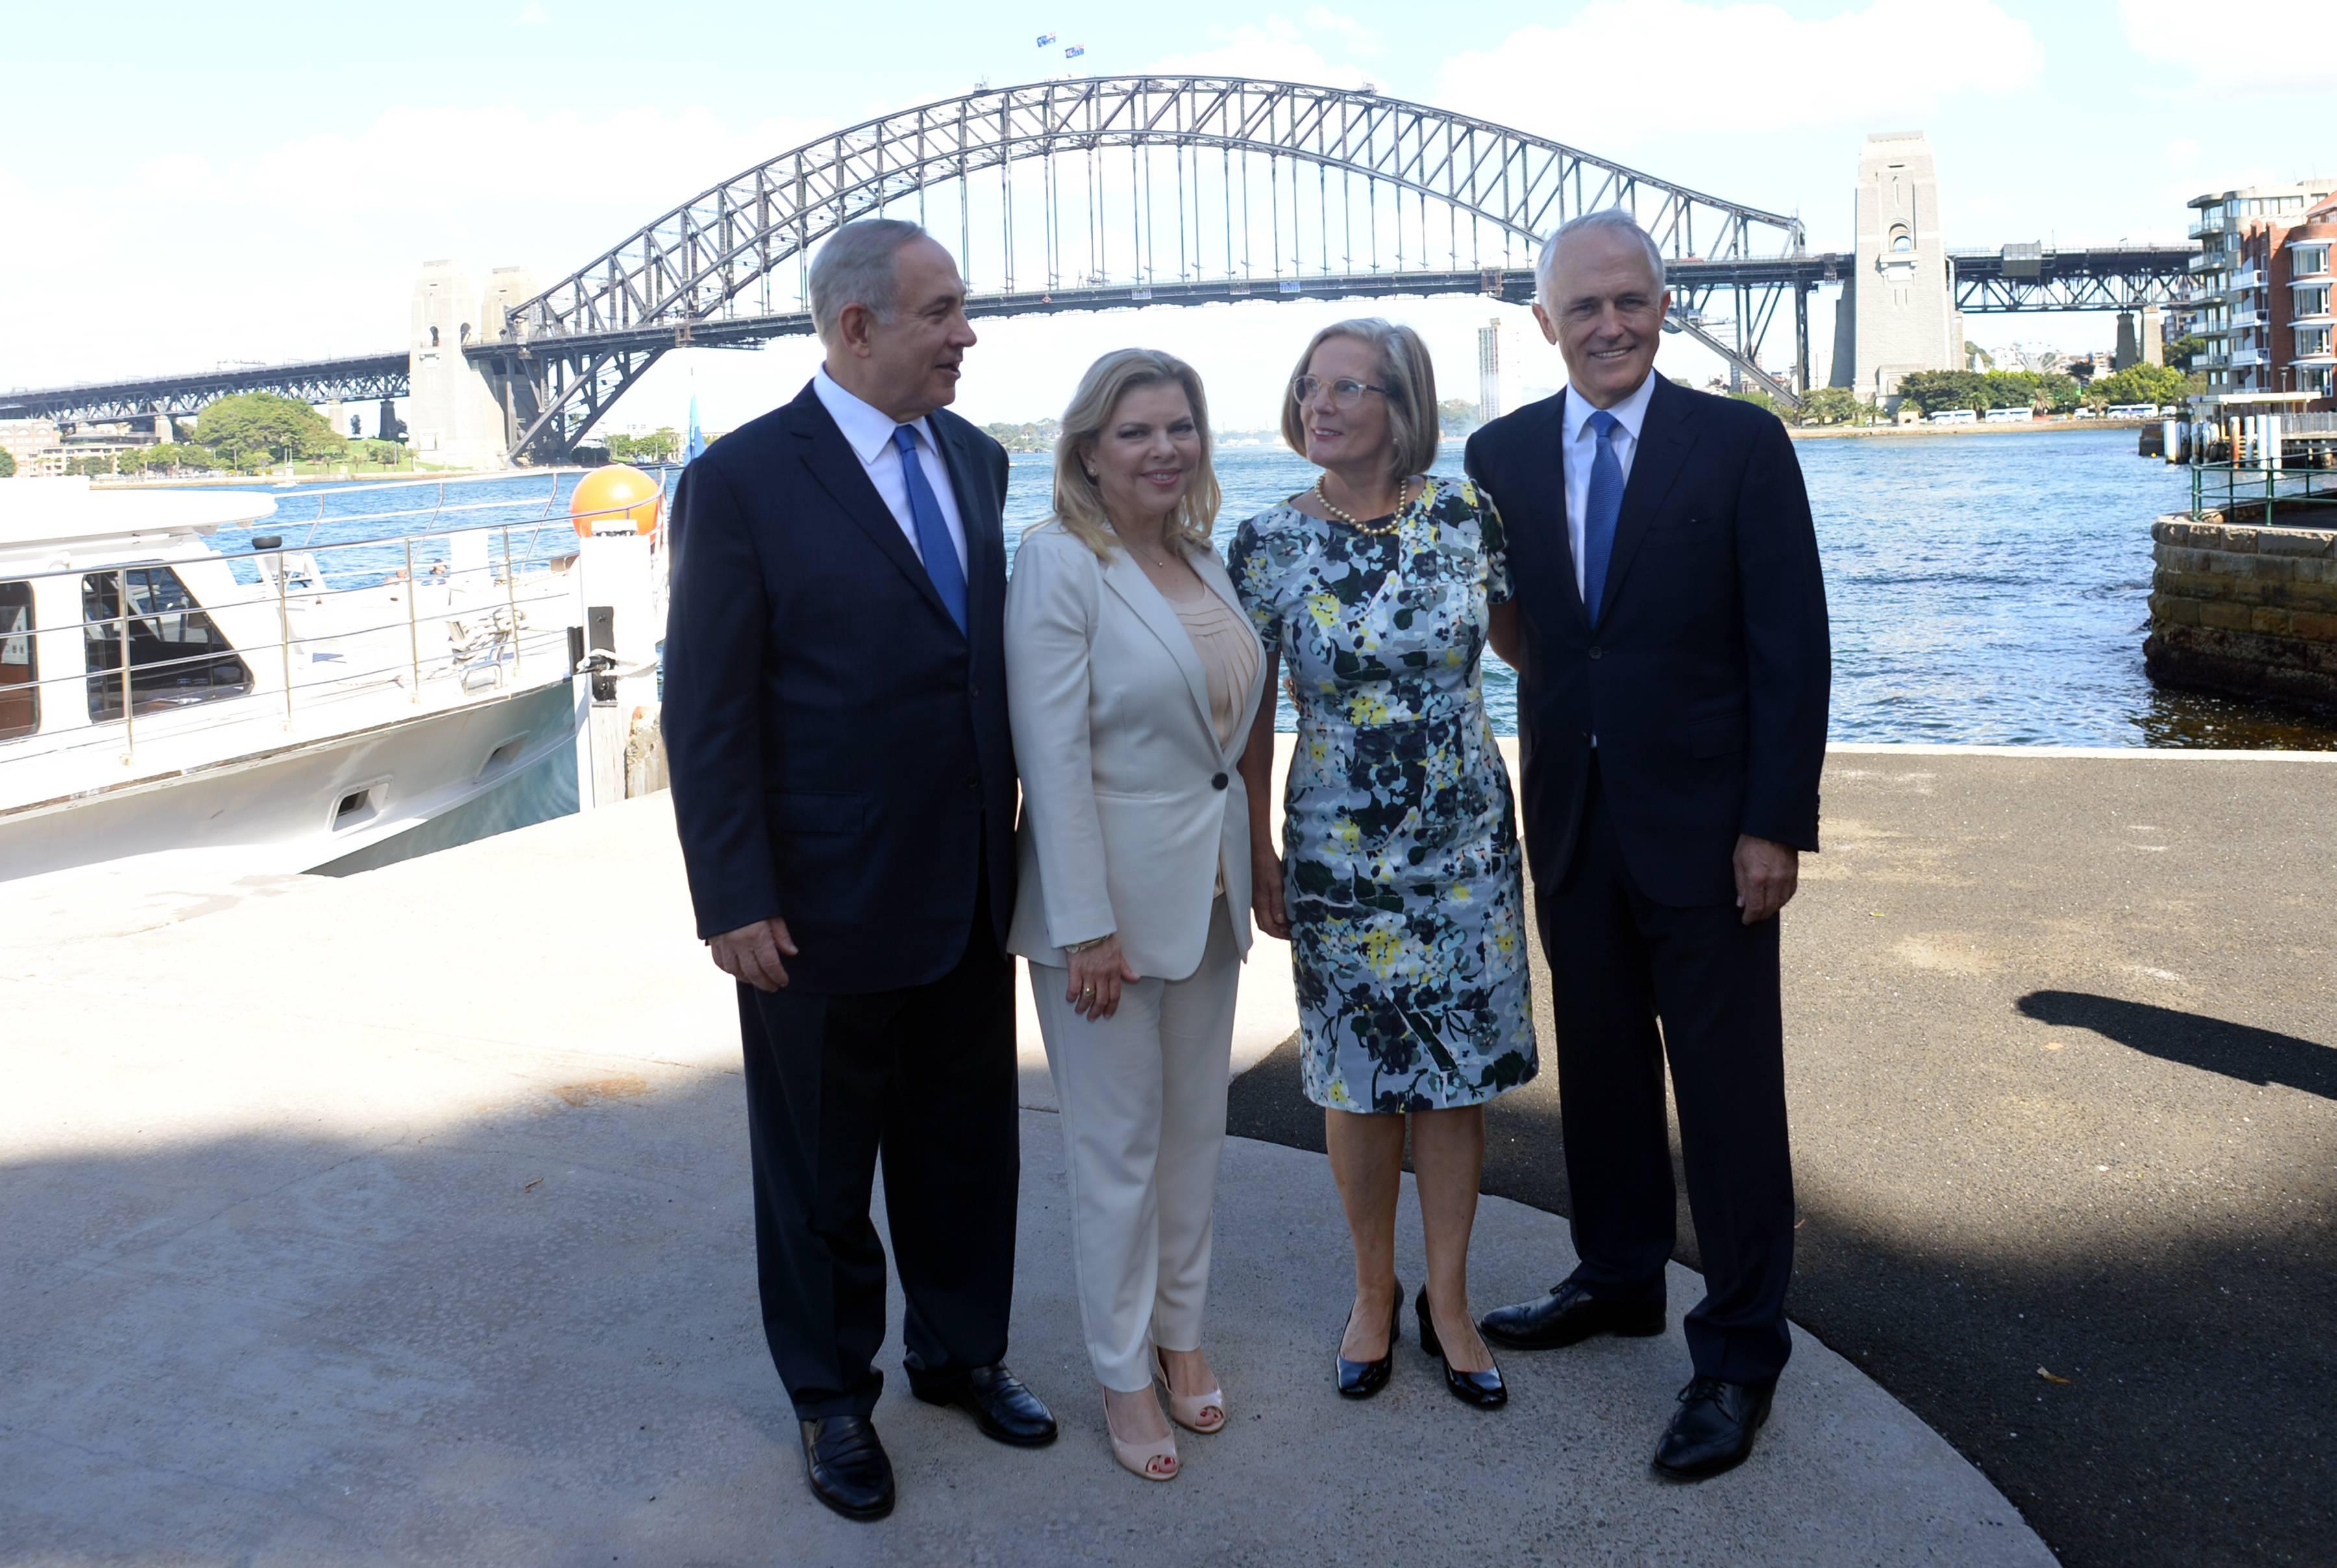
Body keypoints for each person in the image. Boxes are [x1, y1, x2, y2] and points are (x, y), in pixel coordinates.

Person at [662, 217, 1056, 1525]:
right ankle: (832, 1397)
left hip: (964, 881)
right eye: (942, 312)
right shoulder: (741, 481)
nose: (967, 335)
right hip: (816, 902)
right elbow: (706, 706)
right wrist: (734, 895)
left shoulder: (975, 457)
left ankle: (961, 1353)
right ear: (856, 326)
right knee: (820, 1175)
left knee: (965, 1148)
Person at [1465, 208, 1831, 1480]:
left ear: (1665, 306)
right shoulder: (1501, 454)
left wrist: (1774, 821)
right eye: (1586, 306)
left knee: (1729, 1101)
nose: (1610, 325)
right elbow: (1525, 628)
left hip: (1714, 831)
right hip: (1575, 816)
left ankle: (1738, 1353)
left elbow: (1791, 646)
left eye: (1632, 300)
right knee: (1605, 1071)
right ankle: (1619, 1273)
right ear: (1545, 322)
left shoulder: (1740, 444)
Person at [1229, 318, 1536, 1412]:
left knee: (1455, 1075)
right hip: (1338, 848)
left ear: (1401, 407)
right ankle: (1373, 1291)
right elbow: (1248, 714)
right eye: (1309, 386)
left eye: (1346, 387)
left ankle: (1449, 1301)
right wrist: (1257, 850)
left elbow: (1529, 646)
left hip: (1464, 840)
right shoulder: (1266, 542)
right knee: (1356, 1079)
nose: (1318, 404)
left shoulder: (1466, 514)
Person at [1006, 348, 1266, 1482]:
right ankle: (1121, 1373)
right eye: (1137, 432)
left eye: (1181, 427)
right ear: (1088, 453)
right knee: (1115, 1155)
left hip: (1205, 898)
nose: (1166, 449)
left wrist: (1252, 860)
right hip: (1102, 919)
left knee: (1194, 1138)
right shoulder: (1059, 563)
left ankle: (1181, 1335)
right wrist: (1083, 926)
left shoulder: (1201, 556)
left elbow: (1225, 742)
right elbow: (1051, 757)